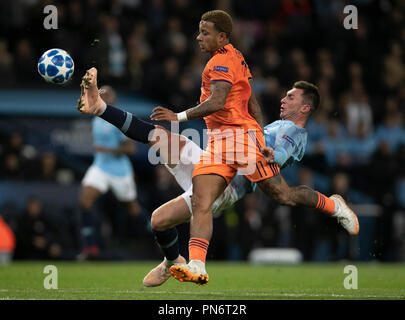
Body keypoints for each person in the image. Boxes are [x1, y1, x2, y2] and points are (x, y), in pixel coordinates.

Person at [77, 68, 358, 287]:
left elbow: (282, 150)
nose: (284, 99)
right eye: (285, 95)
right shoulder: (274, 124)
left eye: (291, 97)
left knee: (160, 219)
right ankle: (99, 107)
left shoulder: (295, 132)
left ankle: (331, 204)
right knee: (158, 138)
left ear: (305, 108)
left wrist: (272, 154)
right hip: (212, 159)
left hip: (226, 184)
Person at [77, 85, 141, 260]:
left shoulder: (119, 120)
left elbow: (131, 149)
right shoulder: (96, 118)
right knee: (85, 201)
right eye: (100, 95)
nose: (102, 98)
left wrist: (107, 150)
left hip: (120, 171)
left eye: (107, 96)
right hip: (100, 167)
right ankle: (90, 248)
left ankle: (156, 240)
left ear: (114, 100)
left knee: (132, 209)